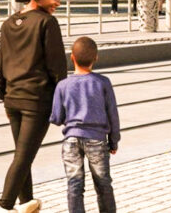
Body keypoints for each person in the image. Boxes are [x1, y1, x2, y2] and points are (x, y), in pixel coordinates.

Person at [0, 0, 67, 213]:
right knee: (24, 157)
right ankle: (4, 206)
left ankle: (27, 203)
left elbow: (2, 63)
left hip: (13, 99)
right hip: (37, 101)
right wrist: (63, 104)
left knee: (22, 155)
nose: (58, 3)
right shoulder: (47, 23)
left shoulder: (8, 23)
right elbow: (57, 68)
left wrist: (4, 97)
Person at [51, 37, 120, 213]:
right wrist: (113, 141)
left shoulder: (63, 85)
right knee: (103, 183)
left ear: (72, 57)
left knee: (74, 184)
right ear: (96, 58)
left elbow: (57, 117)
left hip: (71, 140)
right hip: (97, 140)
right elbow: (112, 114)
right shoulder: (103, 82)